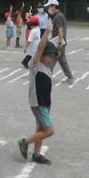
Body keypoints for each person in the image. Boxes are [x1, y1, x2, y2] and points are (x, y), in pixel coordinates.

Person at [18, 18, 56, 164]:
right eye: (49, 56)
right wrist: (46, 31)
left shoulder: (46, 68)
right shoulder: (35, 65)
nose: (51, 59)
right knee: (49, 130)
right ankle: (24, 142)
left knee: (40, 128)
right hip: (38, 103)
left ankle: (36, 154)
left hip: (45, 103)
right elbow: (40, 48)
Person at [46, 0, 74, 84]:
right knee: (62, 60)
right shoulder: (59, 15)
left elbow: (60, 30)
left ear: (54, 6)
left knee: (52, 60)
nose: (49, 8)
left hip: (58, 42)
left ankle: (47, 77)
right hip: (60, 42)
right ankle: (70, 77)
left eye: (50, 6)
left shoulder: (58, 17)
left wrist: (59, 43)